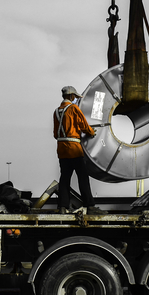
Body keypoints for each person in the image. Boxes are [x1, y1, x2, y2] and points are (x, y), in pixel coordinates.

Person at [53, 86, 100, 214]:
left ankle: (63, 206)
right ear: (72, 96)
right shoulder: (73, 108)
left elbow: (55, 134)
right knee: (82, 177)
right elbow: (83, 124)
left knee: (65, 178)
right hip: (74, 149)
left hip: (62, 150)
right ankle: (89, 205)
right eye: (74, 97)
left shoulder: (56, 111)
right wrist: (91, 132)